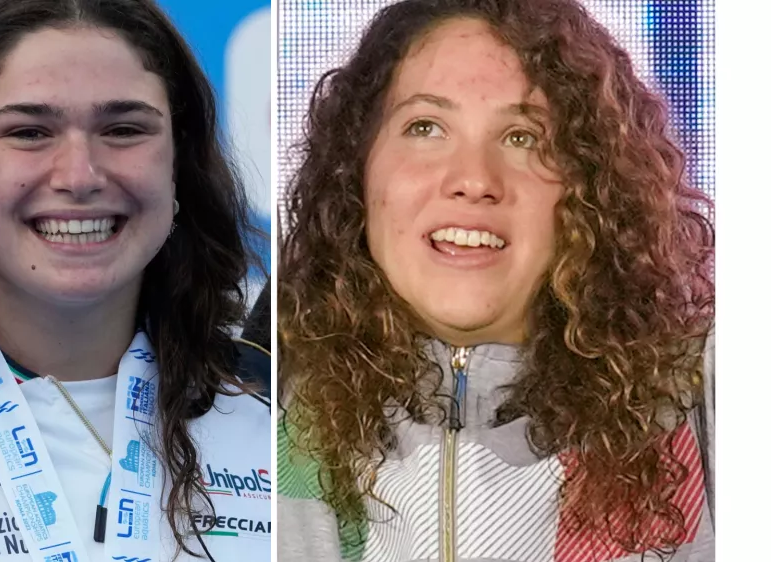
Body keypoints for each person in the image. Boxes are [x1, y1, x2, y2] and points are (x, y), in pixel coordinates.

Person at [0, 1, 271, 561]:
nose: (80, 176)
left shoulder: (279, 408)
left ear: (177, 162)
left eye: (124, 129)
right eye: (30, 131)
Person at [277, 1, 714, 561]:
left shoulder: (700, 399)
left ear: (593, 185)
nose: (474, 180)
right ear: (355, 171)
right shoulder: (265, 394)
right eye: (426, 127)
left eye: (522, 137)